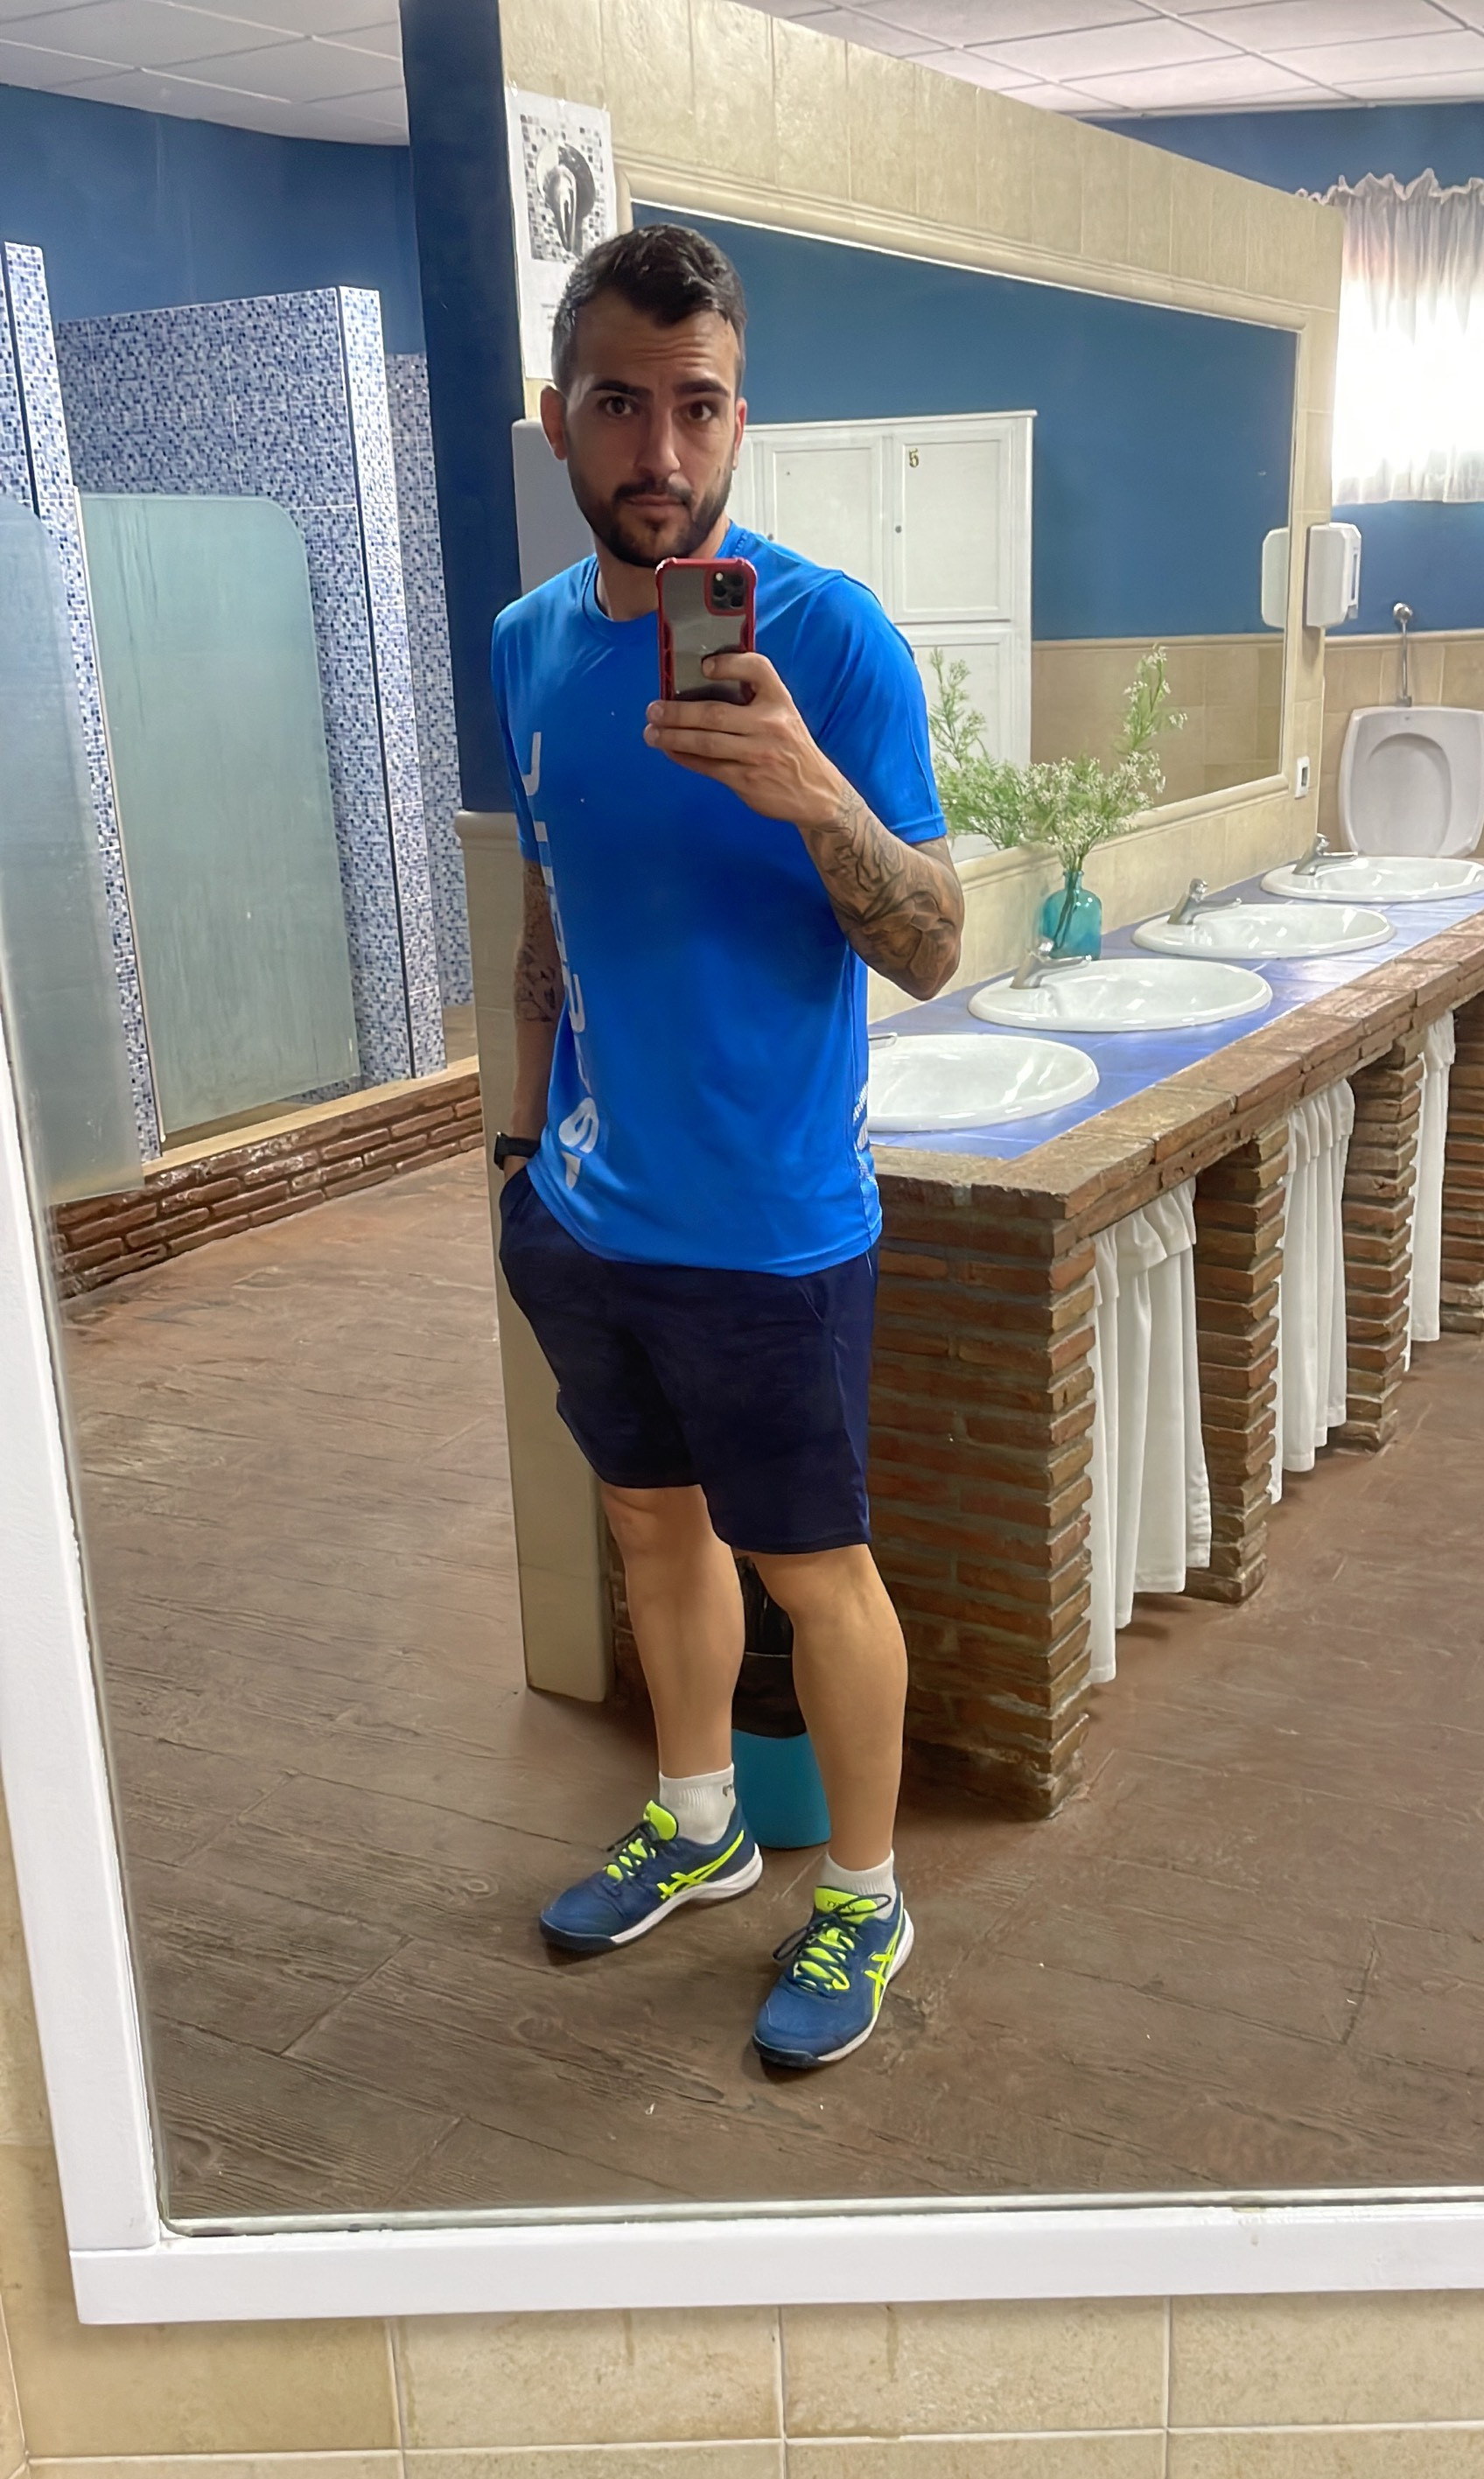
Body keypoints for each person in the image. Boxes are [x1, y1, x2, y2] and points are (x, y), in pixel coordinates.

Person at [490, 221, 962, 2069]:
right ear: (559, 418)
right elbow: (552, 912)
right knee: (646, 1520)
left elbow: (932, 945)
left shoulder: (830, 639)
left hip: (772, 1228)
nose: (661, 452)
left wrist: (810, 786)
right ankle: (698, 1824)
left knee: (814, 1569)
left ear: (740, 419)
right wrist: (520, 1150)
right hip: (588, 1213)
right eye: (621, 404)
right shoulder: (530, 644)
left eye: (699, 407)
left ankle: (865, 1894)